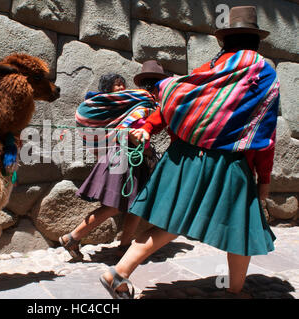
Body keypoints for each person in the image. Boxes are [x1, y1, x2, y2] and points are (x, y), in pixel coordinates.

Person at [99, 6, 280, 299]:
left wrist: (147, 126)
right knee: (242, 229)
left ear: (226, 40)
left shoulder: (208, 70)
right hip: (227, 165)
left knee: (170, 225)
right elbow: (264, 134)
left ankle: (117, 271)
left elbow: (176, 99)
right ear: (256, 40)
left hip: (182, 158)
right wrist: (264, 180)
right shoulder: (263, 72)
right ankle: (235, 291)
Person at [59, 62, 168, 259]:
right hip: (125, 157)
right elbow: (127, 131)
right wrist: (144, 145)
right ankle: (73, 237)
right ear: (157, 86)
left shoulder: (138, 103)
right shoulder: (142, 105)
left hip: (135, 159)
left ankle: (124, 247)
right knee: (115, 206)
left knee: (136, 204)